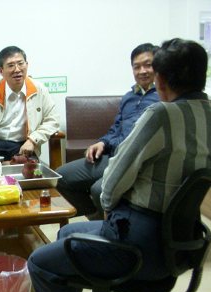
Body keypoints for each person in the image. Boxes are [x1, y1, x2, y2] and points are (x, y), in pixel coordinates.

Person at [11, 38, 211, 292]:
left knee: (39, 262)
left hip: (137, 247)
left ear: (161, 80)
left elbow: (112, 181)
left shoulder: (161, 114)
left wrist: (110, 210)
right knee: (66, 232)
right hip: (183, 246)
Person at [56, 43, 160, 219]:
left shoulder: (163, 97)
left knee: (99, 189)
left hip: (135, 162)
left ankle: (109, 225)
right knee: (60, 177)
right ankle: (97, 218)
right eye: (137, 67)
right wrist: (102, 142)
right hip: (112, 156)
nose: (142, 71)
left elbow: (140, 139)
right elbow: (116, 128)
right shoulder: (129, 97)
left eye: (148, 65)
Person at [0, 45, 60, 164]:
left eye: (20, 63)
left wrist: (33, 140)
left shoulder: (39, 90)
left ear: (27, 65)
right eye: (11, 65)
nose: (17, 69)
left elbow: (53, 120)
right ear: (1, 71)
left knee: (33, 171)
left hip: (22, 147)